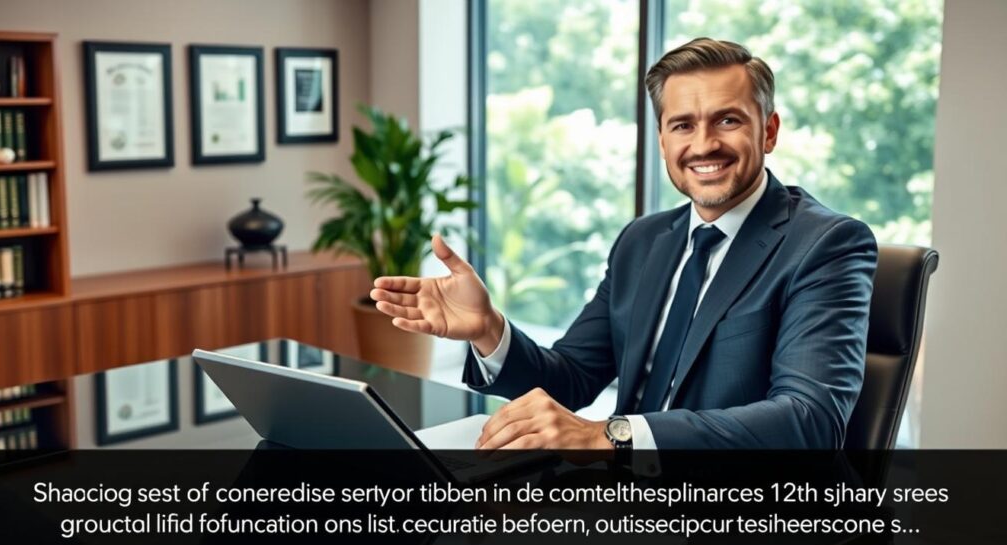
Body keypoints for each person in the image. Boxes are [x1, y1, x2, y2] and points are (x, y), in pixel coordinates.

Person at [371, 38, 877, 451]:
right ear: (662, 140)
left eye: (728, 120)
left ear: (768, 131)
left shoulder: (827, 245)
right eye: (682, 125)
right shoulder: (643, 240)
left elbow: (809, 422)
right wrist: (489, 329)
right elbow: (570, 378)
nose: (703, 144)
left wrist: (611, 437)